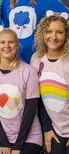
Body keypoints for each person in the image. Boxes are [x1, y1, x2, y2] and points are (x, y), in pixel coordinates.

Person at [0, 28, 42, 154]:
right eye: (2, 42)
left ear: (17, 45)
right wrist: (4, 141)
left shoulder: (28, 72)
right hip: (1, 135)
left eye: (11, 42)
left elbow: (30, 110)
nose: (7, 46)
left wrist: (18, 146)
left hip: (29, 137)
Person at [2, 0, 69, 63]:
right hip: (13, 58)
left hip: (38, 58)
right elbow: (6, 31)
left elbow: (66, 17)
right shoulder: (7, 3)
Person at [31, 12, 69, 154]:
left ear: (66, 35)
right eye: (49, 31)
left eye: (59, 32)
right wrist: (47, 128)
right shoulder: (36, 59)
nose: (53, 37)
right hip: (54, 127)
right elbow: (38, 98)